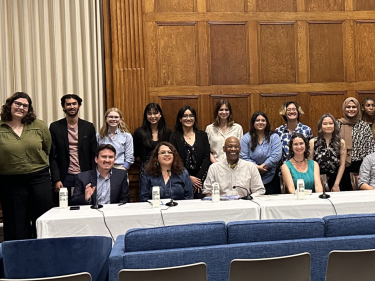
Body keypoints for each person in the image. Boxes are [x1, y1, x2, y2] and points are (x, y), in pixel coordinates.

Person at [0, 92, 53, 240]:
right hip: (10, 182)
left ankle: (45, 254)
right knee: (16, 224)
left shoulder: (39, 125)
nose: (21, 108)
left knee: (43, 220)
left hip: (39, 179)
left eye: (25, 105)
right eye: (18, 104)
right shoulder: (1, 126)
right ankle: (19, 259)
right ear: (10, 105)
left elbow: (47, 148)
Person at [49, 94, 97, 205]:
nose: (72, 106)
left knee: (86, 205)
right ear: (63, 107)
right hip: (65, 176)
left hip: (84, 174)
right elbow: (52, 156)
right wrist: (56, 179)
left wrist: (93, 176)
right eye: (68, 104)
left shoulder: (88, 127)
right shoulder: (55, 127)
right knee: (64, 207)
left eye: (74, 104)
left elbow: (93, 153)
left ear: (79, 106)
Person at [170, 106, 211, 199]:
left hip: (201, 180)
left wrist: (198, 180)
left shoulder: (202, 135)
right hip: (181, 178)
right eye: (185, 116)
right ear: (180, 119)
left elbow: (206, 157)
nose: (188, 118)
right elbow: (174, 159)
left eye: (191, 116)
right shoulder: (174, 137)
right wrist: (188, 177)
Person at [133, 103, 172, 196]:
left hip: (164, 168)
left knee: (164, 194)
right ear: (146, 116)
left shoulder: (167, 132)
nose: (153, 116)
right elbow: (135, 154)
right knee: (145, 195)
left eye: (155, 113)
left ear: (160, 114)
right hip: (145, 169)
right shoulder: (139, 132)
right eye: (149, 114)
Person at [338, 97, 375, 191]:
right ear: (344, 108)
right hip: (341, 167)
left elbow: (371, 148)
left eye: (354, 107)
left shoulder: (364, 126)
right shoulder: (337, 124)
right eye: (348, 107)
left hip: (361, 167)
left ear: (358, 108)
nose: (351, 109)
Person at [240, 112, 282, 194]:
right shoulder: (246, 138)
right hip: (251, 178)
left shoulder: (274, 137)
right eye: (257, 120)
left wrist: (263, 166)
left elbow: (276, 155)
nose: (260, 122)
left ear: (266, 123)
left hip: (271, 177)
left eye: (263, 120)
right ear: (253, 123)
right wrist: (256, 168)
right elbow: (243, 156)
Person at [309, 113, 346, 191]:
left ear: (334, 125)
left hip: (336, 180)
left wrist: (336, 184)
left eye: (331, 123)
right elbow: (310, 165)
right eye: (325, 124)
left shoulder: (341, 143)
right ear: (320, 126)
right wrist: (318, 183)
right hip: (318, 180)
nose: (328, 126)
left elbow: (342, 165)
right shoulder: (313, 142)